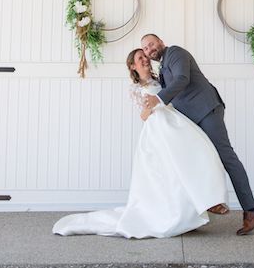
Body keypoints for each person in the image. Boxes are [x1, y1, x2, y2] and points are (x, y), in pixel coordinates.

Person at [52, 48, 227, 238]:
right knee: (169, 172)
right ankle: (176, 213)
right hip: (159, 129)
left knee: (197, 154)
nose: (145, 59)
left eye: (145, 56)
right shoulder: (136, 88)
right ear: (132, 66)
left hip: (176, 123)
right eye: (140, 58)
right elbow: (143, 116)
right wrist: (150, 105)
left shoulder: (161, 80)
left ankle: (200, 205)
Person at [140, 33, 254, 235]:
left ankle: (251, 209)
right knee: (196, 161)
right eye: (145, 49)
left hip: (206, 110)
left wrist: (158, 99)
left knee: (227, 158)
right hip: (192, 118)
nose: (149, 49)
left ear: (161, 41)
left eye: (151, 44)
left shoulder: (175, 53)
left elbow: (182, 78)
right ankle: (206, 205)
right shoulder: (162, 67)